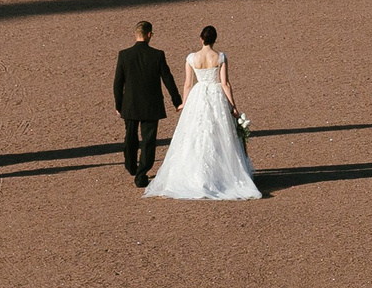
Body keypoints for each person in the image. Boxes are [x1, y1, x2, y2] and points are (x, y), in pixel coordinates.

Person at [143, 24, 262, 201]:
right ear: (215, 39)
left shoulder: (192, 58)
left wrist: (184, 102)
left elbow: (188, 83)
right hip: (215, 96)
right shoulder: (220, 57)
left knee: (194, 134)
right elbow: (225, 84)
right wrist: (233, 106)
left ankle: (193, 175)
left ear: (201, 38)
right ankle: (220, 175)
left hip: (198, 96)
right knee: (218, 135)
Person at [112, 20, 181, 188]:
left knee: (130, 136)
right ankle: (142, 174)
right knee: (149, 140)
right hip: (151, 105)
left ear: (136, 34)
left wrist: (118, 104)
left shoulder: (124, 55)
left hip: (130, 104)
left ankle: (130, 164)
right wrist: (176, 100)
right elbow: (167, 79)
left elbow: (118, 83)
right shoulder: (157, 55)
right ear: (149, 34)